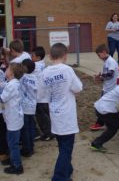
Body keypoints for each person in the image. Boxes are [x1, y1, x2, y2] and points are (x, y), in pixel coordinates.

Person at [38, 43, 83, 181]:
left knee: (62, 145)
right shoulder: (67, 70)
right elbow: (78, 88)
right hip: (67, 115)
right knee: (66, 148)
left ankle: (67, 169)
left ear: (50, 56)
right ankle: (59, 177)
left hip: (55, 113)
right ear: (65, 56)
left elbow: (41, 96)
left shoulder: (44, 73)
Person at [0, 63, 25, 174]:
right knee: (12, 141)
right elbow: (4, 85)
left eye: (8, 69)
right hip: (15, 117)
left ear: (11, 73)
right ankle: (14, 161)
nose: (5, 70)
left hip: (13, 119)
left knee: (13, 144)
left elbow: (3, 98)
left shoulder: (12, 85)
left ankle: (17, 166)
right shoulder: (13, 82)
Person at [89, 44, 119, 131]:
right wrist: (100, 78)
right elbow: (108, 76)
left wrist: (101, 75)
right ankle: (106, 123)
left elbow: (110, 74)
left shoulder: (111, 61)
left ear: (104, 52)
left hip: (111, 89)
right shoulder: (106, 62)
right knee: (107, 107)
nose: (99, 57)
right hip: (107, 88)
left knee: (100, 107)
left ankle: (101, 124)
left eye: (99, 55)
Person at [31, 46, 55, 141]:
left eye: (32, 56)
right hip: (45, 95)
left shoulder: (35, 66)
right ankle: (52, 130)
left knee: (41, 116)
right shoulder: (42, 64)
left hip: (39, 96)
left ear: (38, 58)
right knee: (47, 114)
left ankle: (48, 133)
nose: (31, 57)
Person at [20, 59, 37, 157]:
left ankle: (27, 149)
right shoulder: (34, 77)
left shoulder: (22, 77)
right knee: (31, 127)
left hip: (24, 107)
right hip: (32, 107)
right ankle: (31, 146)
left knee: (25, 129)